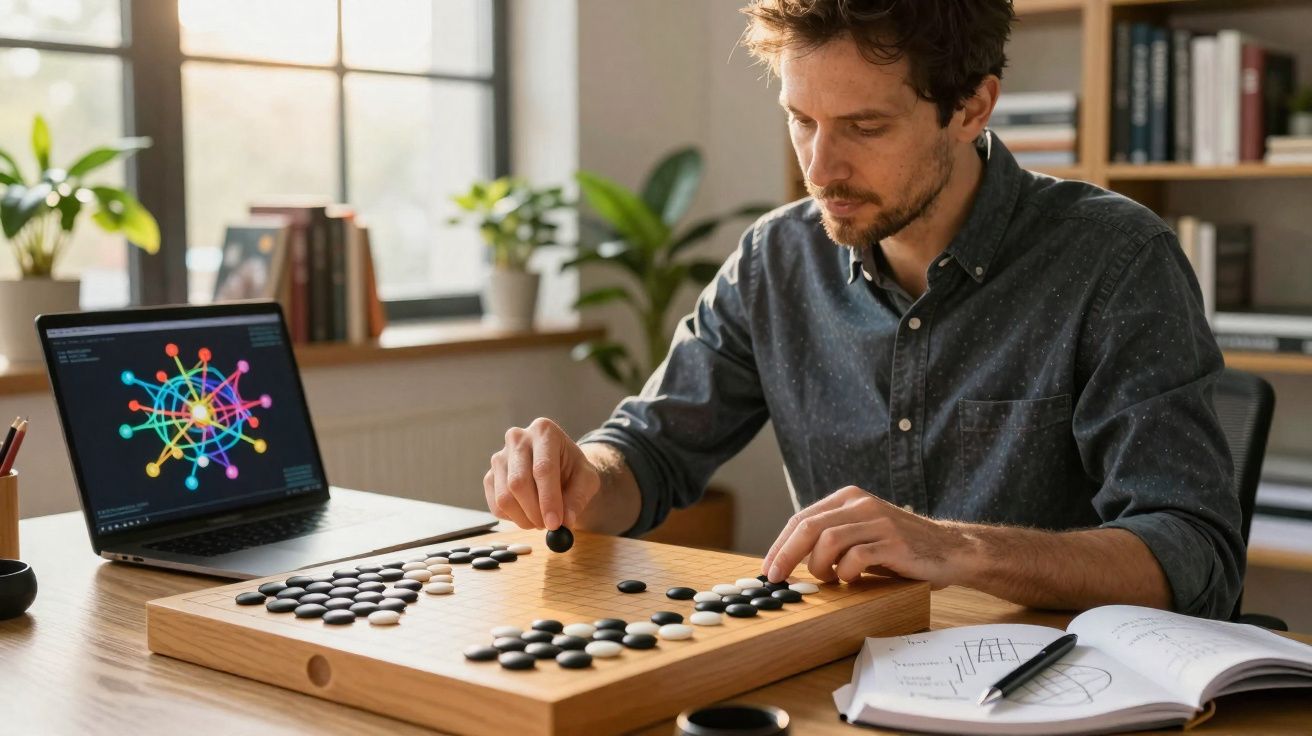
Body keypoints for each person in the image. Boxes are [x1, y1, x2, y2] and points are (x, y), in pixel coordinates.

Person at [484, 0, 1243, 619]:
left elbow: (1194, 552)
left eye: (865, 127)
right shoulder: (777, 258)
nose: (820, 168)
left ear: (972, 107)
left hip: (1052, 686)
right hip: (846, 673)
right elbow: (649, 453)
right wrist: (586, 475)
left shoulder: (1114, 260)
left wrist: (958, 549)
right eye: (801, 119)